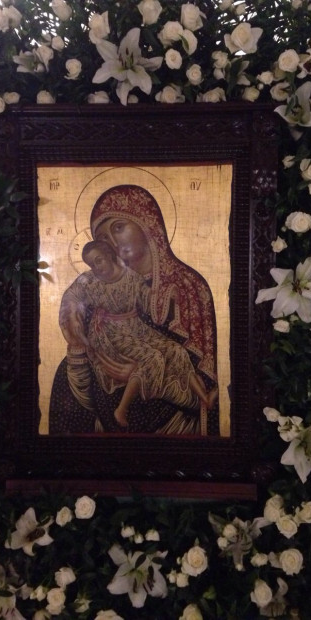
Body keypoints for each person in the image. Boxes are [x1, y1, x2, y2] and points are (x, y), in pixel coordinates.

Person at [49, 184, 218, 435]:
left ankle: (199, 397)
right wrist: (75, 333)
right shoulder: (94, 286)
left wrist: (143, 377)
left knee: (172, 353)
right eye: (102, 237)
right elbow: (80, 380)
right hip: (109, 425)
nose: (111, 241)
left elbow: (204, 367)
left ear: (148, 225)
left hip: (175, 430)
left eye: (119, 227)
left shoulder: (187, 287)